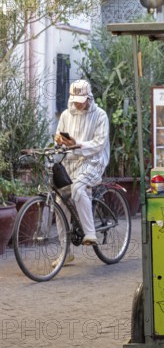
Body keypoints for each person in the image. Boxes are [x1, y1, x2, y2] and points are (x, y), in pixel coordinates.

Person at [54, 79, 110, 257]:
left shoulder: (100, 115)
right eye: (75, 101)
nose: (79, 104)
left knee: (78, 188)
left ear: (89, 98)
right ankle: (65, 252)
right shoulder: (65, 115)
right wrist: (59, 141)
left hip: (93, 161)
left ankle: (91, 233)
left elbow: (99, 144)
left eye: (82, 100)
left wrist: (77, 144)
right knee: (59, 201)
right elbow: (58, 136)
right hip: (69, 162)